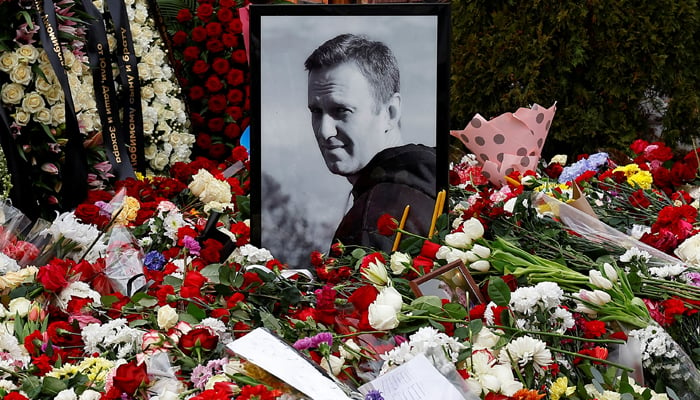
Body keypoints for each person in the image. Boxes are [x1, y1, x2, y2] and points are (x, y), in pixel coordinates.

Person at [305, 33, 437, 253]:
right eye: (316, 112)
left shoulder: (373, 219)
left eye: (341, 110)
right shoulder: (436, 184)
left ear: (390, 112)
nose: (324, 131)